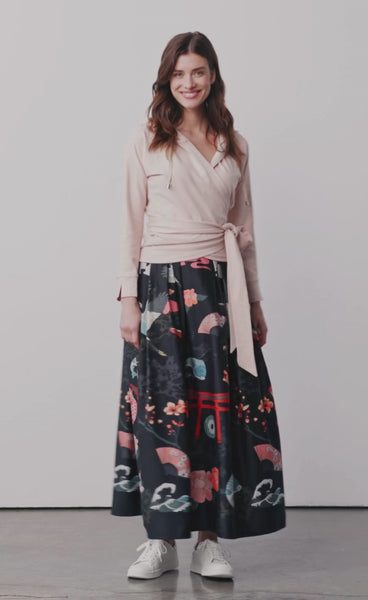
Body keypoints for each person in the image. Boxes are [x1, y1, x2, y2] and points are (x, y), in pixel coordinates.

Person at [111, 31, 286, 580]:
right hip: (160, 288)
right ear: (167, 79)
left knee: (218, 410)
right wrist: (128, 298)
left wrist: (254, 302)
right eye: (179, 73)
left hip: (219, 286)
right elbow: (129, 223)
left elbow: (246, 229)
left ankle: (209, 541)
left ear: (213, 76)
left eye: (198, 72)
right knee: (162, 410)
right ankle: (160, 541)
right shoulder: (146, 138)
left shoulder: (235, 143)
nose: (189, 83)